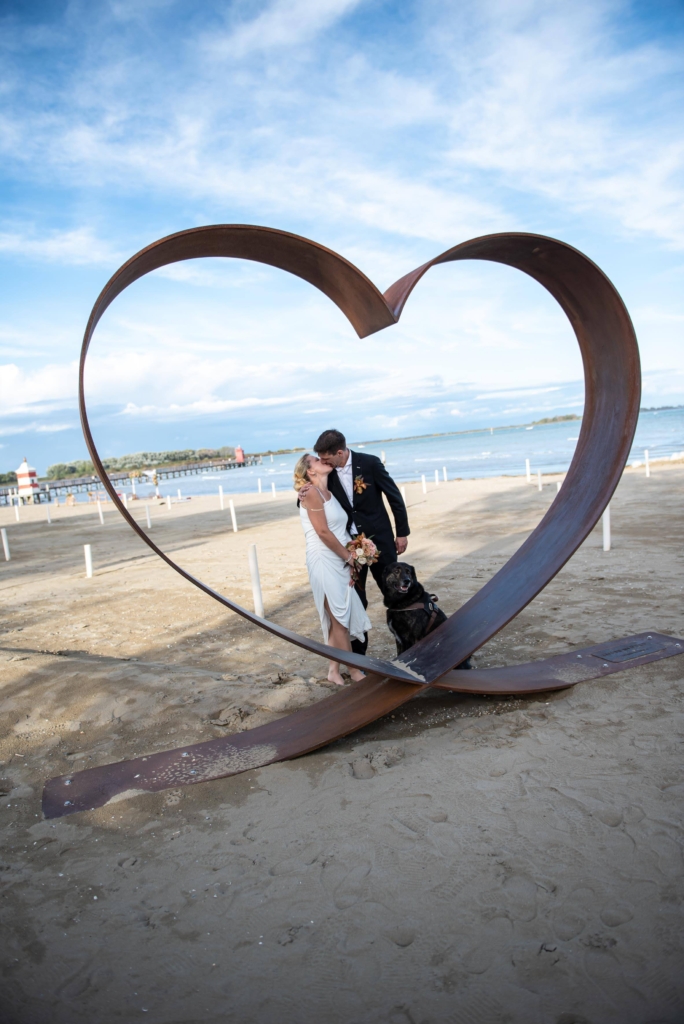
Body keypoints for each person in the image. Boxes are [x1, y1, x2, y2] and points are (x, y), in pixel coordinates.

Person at [300, 428, 409, 656]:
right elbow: (314, 500)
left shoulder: (370, 463)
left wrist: (401, 532)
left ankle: (410, 647)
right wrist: (300, 493)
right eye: (319, 459)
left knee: (396, 595)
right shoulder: (327, 472)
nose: (322, 461)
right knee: (355, 602)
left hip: (380, 543)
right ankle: (359, 659)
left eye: (325, 458)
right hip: (348, 550)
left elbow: (394, 496)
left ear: (340, 452)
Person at [294, 452, 371, 686]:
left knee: (337, 617)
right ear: (310, 471)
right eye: (316, 460)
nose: (322, 460)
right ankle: (355, 671)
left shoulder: (328, 492)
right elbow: (323, 532)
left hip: (338, 558)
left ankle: (333, 671)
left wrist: (355, 557)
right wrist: (349, 557)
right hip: (324, 559)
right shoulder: (311, 493)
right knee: (340, 619)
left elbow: (340, 529)